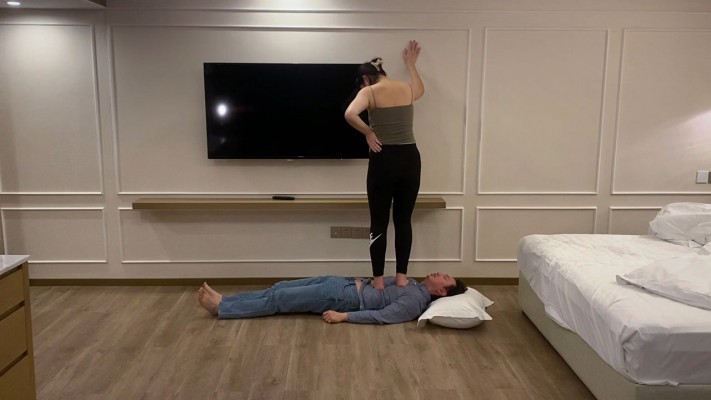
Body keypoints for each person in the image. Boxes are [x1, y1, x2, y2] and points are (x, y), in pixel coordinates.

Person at [344, 40, 425, 291]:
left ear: (366, 79)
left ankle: (378, 281)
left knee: (378, 221)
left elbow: (349, 114)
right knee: (404, 220)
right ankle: (401, 278)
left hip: (383, 159)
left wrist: (369, 133)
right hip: (410, 158)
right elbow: (420, 90)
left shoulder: (369, 92)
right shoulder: (406, 88)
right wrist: (411, 65)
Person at [198, 273, 466, 325]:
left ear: (442, 292)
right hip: (343, 282)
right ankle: (227, 300)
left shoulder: (415, 301)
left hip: (344, 298)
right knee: (279, 287)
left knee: (280, 299)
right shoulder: (413, 283)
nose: (439, 273)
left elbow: (382, 316)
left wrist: (344, 316)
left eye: (444, 278)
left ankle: (223, 309)